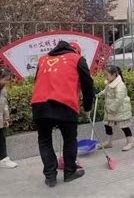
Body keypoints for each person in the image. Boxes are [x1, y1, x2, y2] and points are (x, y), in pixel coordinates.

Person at [31, 41, 95, 187]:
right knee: (69, 139)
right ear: (76, 51)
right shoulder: (77, 59)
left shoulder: (43, 59)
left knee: (45, 141)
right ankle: (69, 172)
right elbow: (87, 85)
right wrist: (87, 107)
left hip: (40, 104)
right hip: (65, 104)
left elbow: (37, 81)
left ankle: (50, 177)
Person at [97, 65, 134, 151]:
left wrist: (112, 108)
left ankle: (130, 142)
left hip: (120, 110)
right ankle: (109, 142)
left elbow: (119, 99)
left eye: (107, 75)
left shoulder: (120, 85)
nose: (105, 77)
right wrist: (99, 94)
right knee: (107, 125)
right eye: (105, 75)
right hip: (110, 109)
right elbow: (106, 90)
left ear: (114, 74)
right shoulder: (110, 82)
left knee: (124, 126)